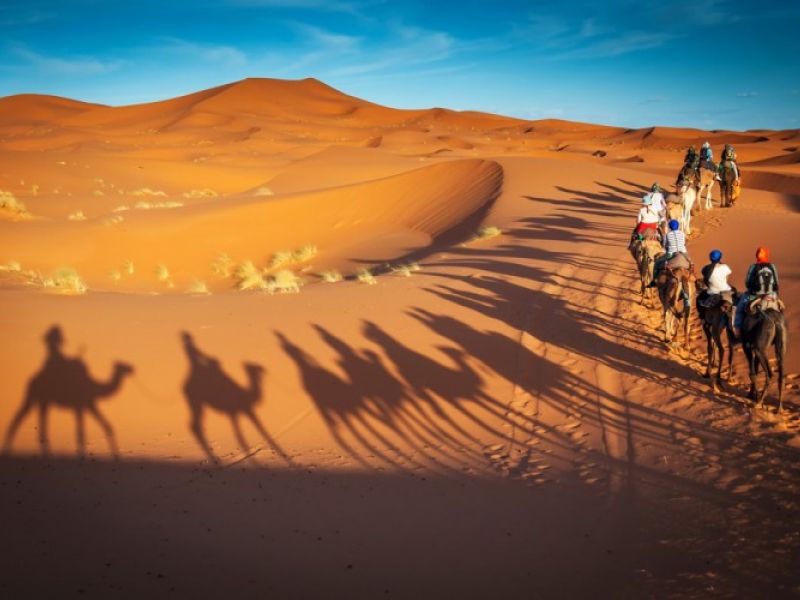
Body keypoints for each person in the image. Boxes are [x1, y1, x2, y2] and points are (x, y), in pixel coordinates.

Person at [733, 246, 780, 340]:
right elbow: (776, 283)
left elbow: (747, 283)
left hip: (754, 295)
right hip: (771, 295)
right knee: (780, 309)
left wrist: (752, 289)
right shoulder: (772, 266)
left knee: (739, 309)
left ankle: (737, 331)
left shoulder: (753, 267)